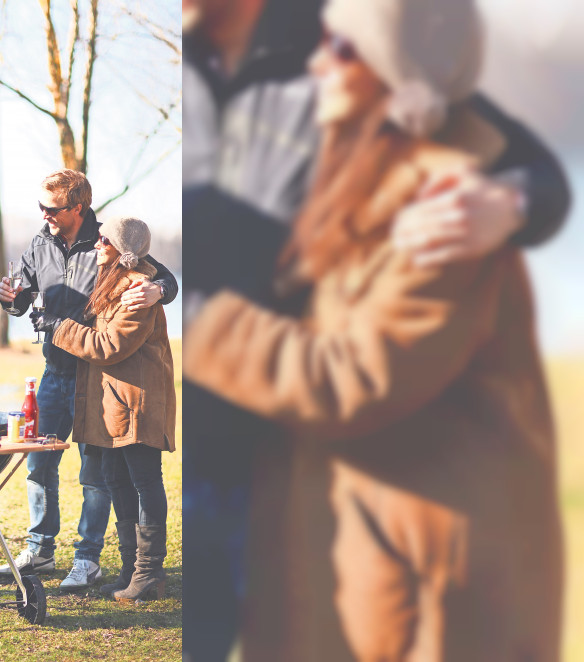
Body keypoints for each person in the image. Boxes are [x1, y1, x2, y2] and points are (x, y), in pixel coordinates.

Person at [181, 0, 572, 657]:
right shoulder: (181, 48)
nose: (319, 65)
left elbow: (511, 151)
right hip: (214, 462)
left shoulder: (340, 35)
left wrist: (512, 203)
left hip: (284, 473)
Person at [0, 169, 178, 591]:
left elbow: (158, 275)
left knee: (97, 473)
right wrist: (12, 300)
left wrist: (160, 290)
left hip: (95, 377)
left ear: (77, 207)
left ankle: (88, 558)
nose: (44, 216)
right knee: (39, 464)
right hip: (54, 371)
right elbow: (23, 298)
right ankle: (40, 549)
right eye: (40, 207)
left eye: (51, 208)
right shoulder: (41, 242)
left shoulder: (109, 239)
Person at [32, 217, 177, 603]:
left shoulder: (136, 291)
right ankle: (131, 568)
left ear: (122, 250)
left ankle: (149, 573)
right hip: (110, 401)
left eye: (104, 241)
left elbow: (109, 347)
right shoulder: (110, 281)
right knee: (115, 478)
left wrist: (58, 327)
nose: (97, 245)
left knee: (144, 480)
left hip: (136, 402)